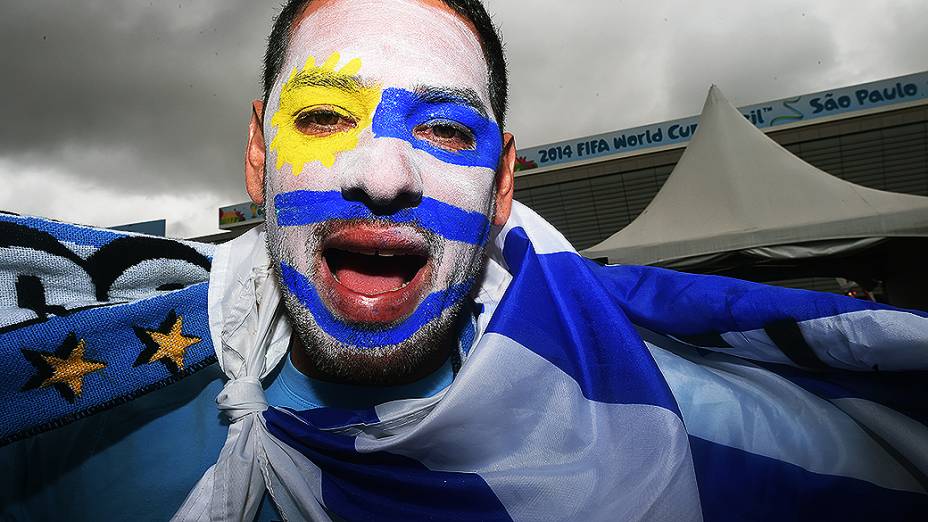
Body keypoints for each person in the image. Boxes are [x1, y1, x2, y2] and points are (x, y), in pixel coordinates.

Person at [1, 0, 927, 520]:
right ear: (259, 155)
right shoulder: (62, 419)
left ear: (502, 181)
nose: (384, 174)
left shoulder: (684, 425)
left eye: (445, 127)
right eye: (324, 116)